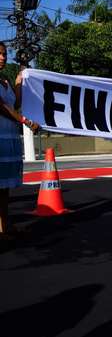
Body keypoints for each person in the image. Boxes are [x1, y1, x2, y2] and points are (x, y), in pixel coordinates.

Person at [0, 42, 40, 239]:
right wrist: (26, 121)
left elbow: (15, 101)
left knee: (4, 188)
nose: (2, 57)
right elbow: (3, 108)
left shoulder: (5, 79)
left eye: (4, 54)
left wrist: (22, 72)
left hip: (8, 137)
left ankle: (4, 228)